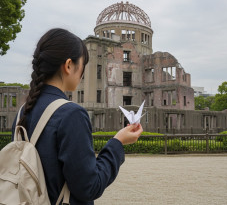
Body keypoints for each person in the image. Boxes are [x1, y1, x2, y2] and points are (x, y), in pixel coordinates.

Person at [11, 28, 143, 204]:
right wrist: (117, 143)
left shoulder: (23, 111)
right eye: (83, 64)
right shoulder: (71, 114)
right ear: (68, 65)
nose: (82, 73)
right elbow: (89, 187)